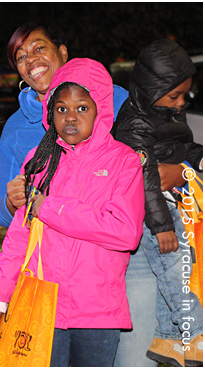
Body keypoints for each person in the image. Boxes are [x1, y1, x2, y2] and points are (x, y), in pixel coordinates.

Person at [0, 22, 157, 368]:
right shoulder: (38, 161)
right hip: (44, 306)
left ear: (100, 108)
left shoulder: (122, 161)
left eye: (82, 108)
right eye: (61, 108)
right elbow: (18, 237)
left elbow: (124, 232)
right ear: (50, 112)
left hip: (97, 311)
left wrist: (48, 207)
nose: (70, 117)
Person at [113, 38, 203, 367]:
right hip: (153, 216)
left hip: (170, 208)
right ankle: (194, 334)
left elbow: (186, 149)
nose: (181, 103)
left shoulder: (166, 112)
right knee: (175, 273)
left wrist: (196, 166)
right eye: (175, 95)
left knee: (174, 272)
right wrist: (162, 225)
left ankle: (167, 337)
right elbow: (145, 179)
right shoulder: (134, 123)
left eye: (184, 96)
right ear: (153, 89)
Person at [0, 21, 129, 228]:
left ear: (63, 52)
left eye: (39, 48)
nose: (31, 60)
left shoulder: (112, 97)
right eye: (21, 57)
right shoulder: (16, 127)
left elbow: (157, 145)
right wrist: (13, 202)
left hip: (119, 237)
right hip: (54, 250)